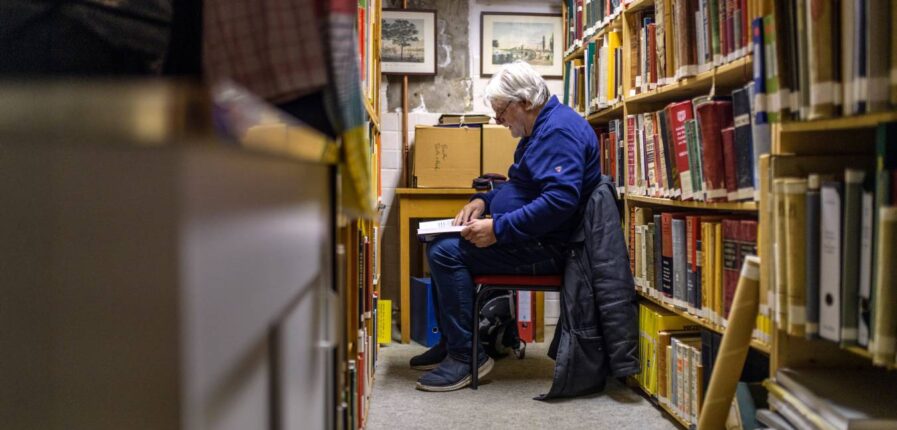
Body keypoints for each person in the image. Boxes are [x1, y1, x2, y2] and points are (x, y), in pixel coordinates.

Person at [411, 61, 602, 392]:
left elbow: (559, 202)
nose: (497, 119)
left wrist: (498, 229)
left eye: (501, 111)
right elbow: (520, 185)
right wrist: (481, 202)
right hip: (533, 238)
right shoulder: (539, 128)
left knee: (445, 253)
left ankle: (466, 356)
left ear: (525, 102)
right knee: (438, 241)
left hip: (552, 249)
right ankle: (457, 342)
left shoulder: (557, 132)